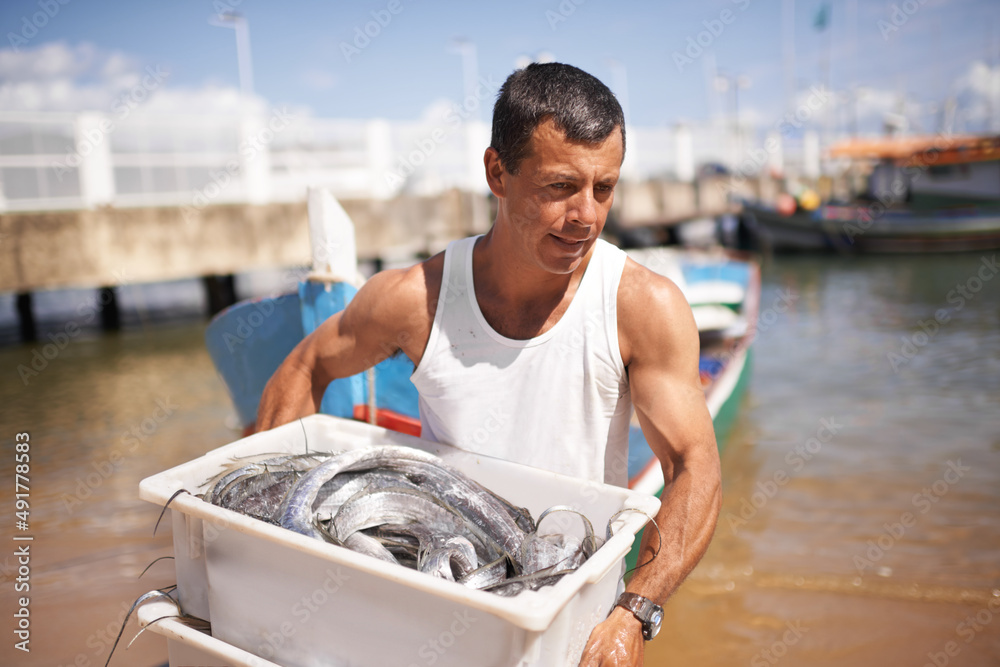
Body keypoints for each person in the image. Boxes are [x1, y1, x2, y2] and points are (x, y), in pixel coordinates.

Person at [256, 62, 721, 666]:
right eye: (560, 187)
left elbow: (694, 466)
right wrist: (267, 535)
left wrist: (635, 611)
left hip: (575, 618)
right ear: (497, 172)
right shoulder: (415, 301)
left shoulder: (643, 307)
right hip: (437, 602)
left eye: (604, 188)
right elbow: (306, 367)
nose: (587, 215)